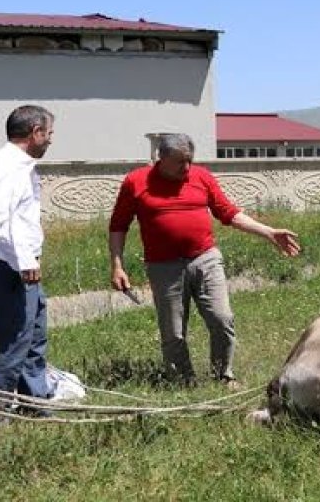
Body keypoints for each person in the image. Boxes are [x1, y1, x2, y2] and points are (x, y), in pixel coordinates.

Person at [108, 133, 301, 388]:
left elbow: (228, 212)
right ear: (161, 158)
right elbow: (118, 225)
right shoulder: (136, 182)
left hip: (205, 259)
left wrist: (269, 232)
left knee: (222, 319)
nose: (186, 167)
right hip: (164, 267)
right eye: (180, 162)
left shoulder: (201, 177)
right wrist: (117, 265)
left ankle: (223, 375)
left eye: (189, 160)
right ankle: (182, 383)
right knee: (173, 331)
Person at [0, 105, 57, 416]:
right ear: (35, 133)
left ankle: (35, 405)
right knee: (15, 341)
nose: (50, 140)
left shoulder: (19, 165)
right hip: (8, 266)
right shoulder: (4, 166)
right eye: (49, 133)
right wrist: (24, 261)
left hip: (18, 264)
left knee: (33, 338)